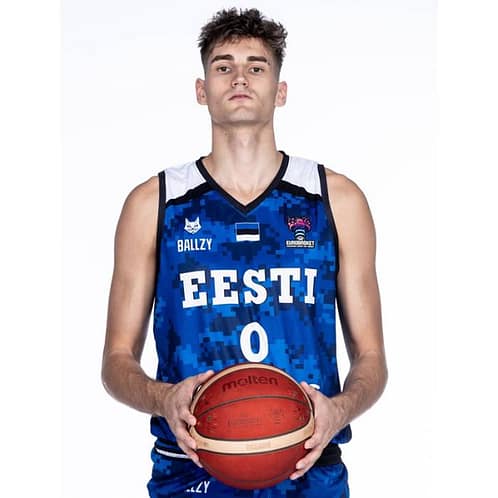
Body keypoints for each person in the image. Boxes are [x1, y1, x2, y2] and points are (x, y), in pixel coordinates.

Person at [101, 7, 387, 498]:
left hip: (307, 465)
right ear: (201, 89)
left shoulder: (334, 200)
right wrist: (163, 398)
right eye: (223, 66)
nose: (239, 78)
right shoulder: (156, 204)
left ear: (280, 90)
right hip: (190, 469)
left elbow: (373, 357)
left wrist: (339, 409)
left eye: (256, 66)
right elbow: (115, 360)